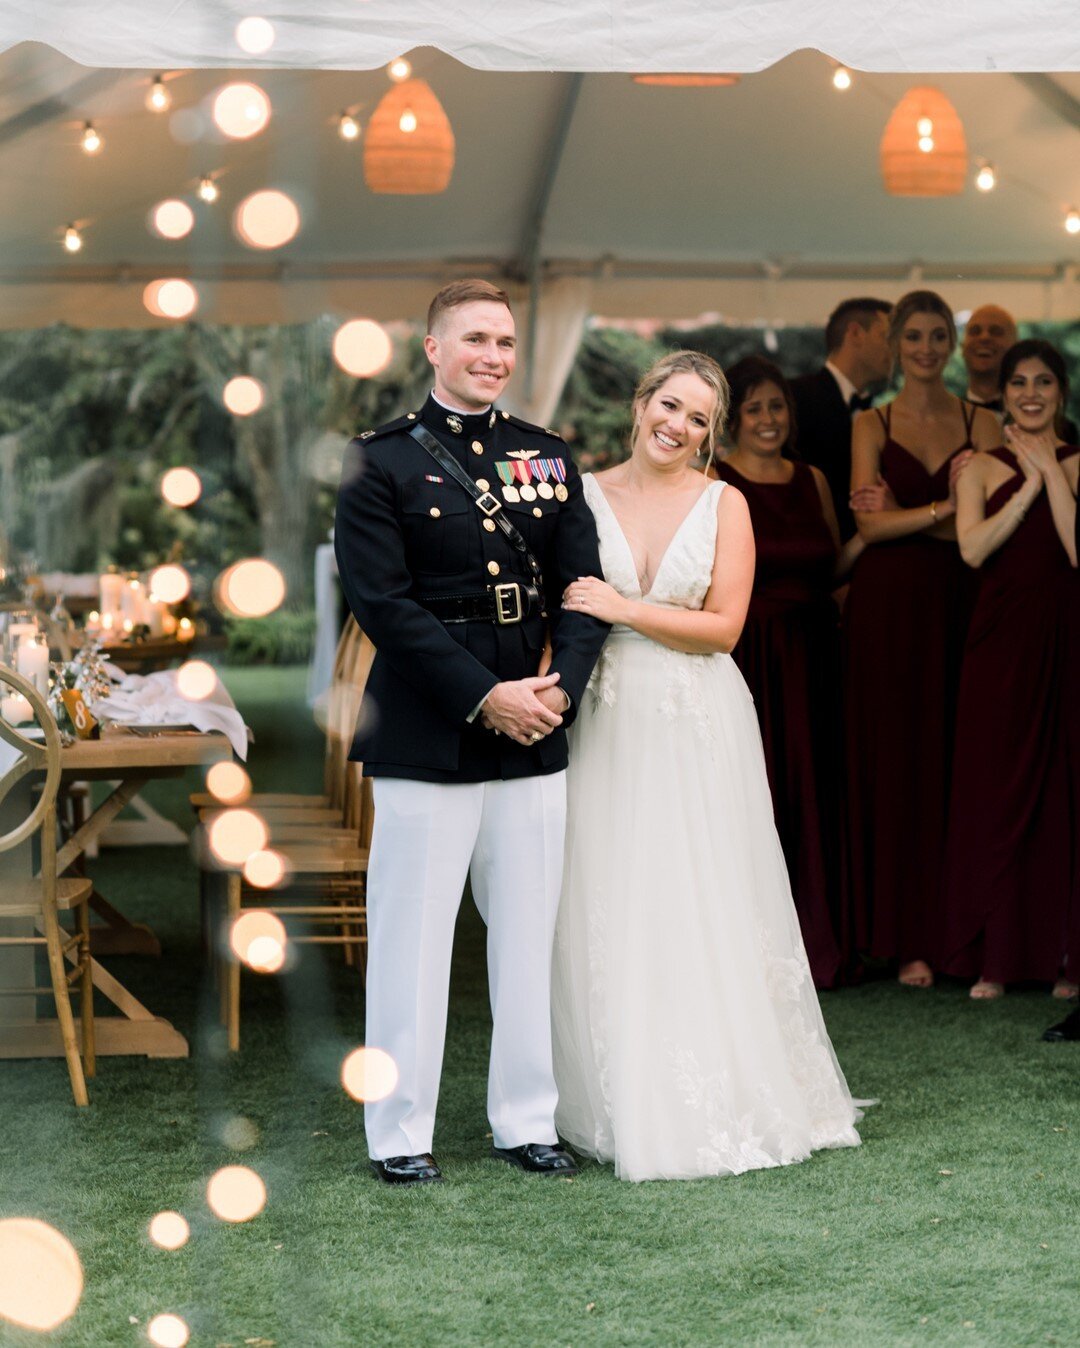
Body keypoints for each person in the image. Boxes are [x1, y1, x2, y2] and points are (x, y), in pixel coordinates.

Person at [550, 350, 863, 1182]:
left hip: (697, 714)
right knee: (612, 890)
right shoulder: (581, 494)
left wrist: (623, 606)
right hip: (608, 717)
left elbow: (725, 626)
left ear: (709, 434)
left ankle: (720, 1083)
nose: (679, 426)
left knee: (702, 889)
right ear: (641, 402)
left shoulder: (727, 503)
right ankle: (612, 1091)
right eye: (670, 405)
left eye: (699, 418)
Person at [335, 279, 609, 1185]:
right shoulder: (376, 464)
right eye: (475, 339)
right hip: (428, 725)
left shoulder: (547, 455)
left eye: (504, 340)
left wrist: (559, 688)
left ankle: (526, 1120)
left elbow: (582, 592)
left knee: (529, 933)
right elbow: (382, 604)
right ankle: (400, 1131)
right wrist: (484, 696)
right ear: (432, 348)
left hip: (534, 720)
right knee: (412, 937)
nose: (494, 355)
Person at [843, 291, 999, 989]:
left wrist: (911, 515)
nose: (929, 349)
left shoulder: (984, 421)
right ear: (897, 343)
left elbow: (986, 528)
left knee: (959, 757)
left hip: (964, 597)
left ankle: (960, 932)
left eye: (940, 336)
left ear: (953, 345)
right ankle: (904, 938)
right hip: (889, 608)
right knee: (899, 760)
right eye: (915, 337)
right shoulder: (870, 422)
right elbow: (869, 531)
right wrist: (942, 509)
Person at [715, 356, 866, 988]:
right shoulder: (716, 481)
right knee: (760, 794)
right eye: (755, 408)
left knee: (816, 792)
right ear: (733, 419)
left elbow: (831, 564)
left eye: (777, 406)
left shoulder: (814, 480)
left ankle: (818, 945)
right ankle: (753, 952)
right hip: (750, 655)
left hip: (814, 654)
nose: (769, 419)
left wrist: (876, 529)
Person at [943, 339, 1079, 1000]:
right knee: (998, 791)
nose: (1030, 392)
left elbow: (1077, 549)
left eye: (1044, 382)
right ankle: (997, 956)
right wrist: (1026, 484)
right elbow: (972, 550)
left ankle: (1063, 958)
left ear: (1060, 392)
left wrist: (1052, 469)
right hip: (1000, 643)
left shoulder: (1079, 463)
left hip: (1068, 635)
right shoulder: (977, 470)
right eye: (1019, 382)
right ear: (1003, 394)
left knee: (1064, 791)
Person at [790, 297, 893, 541]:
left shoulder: (881, 414)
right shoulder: (797, 397)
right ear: (855, 333)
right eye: (887, 337)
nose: (896, 349)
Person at [960, 303, 1018, 415]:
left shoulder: (1035, 417)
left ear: (1015, 347)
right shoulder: (943, 417)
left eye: (996, 332)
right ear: (962, 347)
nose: (984, 337)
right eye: (975, 331)